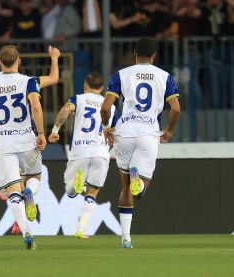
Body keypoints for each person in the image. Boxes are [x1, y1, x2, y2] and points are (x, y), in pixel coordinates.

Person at [0, 45, 60, 235]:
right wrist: (54, 58)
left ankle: (26, 232)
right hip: (27, 139)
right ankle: (30, 193)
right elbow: (39, 101)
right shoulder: (29, 81)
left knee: (12, 191)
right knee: (34, 178)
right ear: (19, 61)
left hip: (3, 142)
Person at [101, 38, 181, 248]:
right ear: (154, 55)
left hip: (124, 132)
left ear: (135, 53)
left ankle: (126, 238)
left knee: (125, 187)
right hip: (148, 133)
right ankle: (139, 180)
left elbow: (106, 106)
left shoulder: (121, 74)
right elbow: (176, 108)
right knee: (140, 192)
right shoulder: (165, 77)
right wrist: (170, 131)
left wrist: (106, 127)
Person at [48, 72, 118, 239]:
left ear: (85, 85)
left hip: (80, 150)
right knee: (92, 193)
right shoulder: (111, 107)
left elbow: (65, 110)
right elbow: (114, 133)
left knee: (70, 191)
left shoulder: (78, 99)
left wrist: (55, 131)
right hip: (101, 152)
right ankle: (81, 229)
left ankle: (77, 183)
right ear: (102, 88)